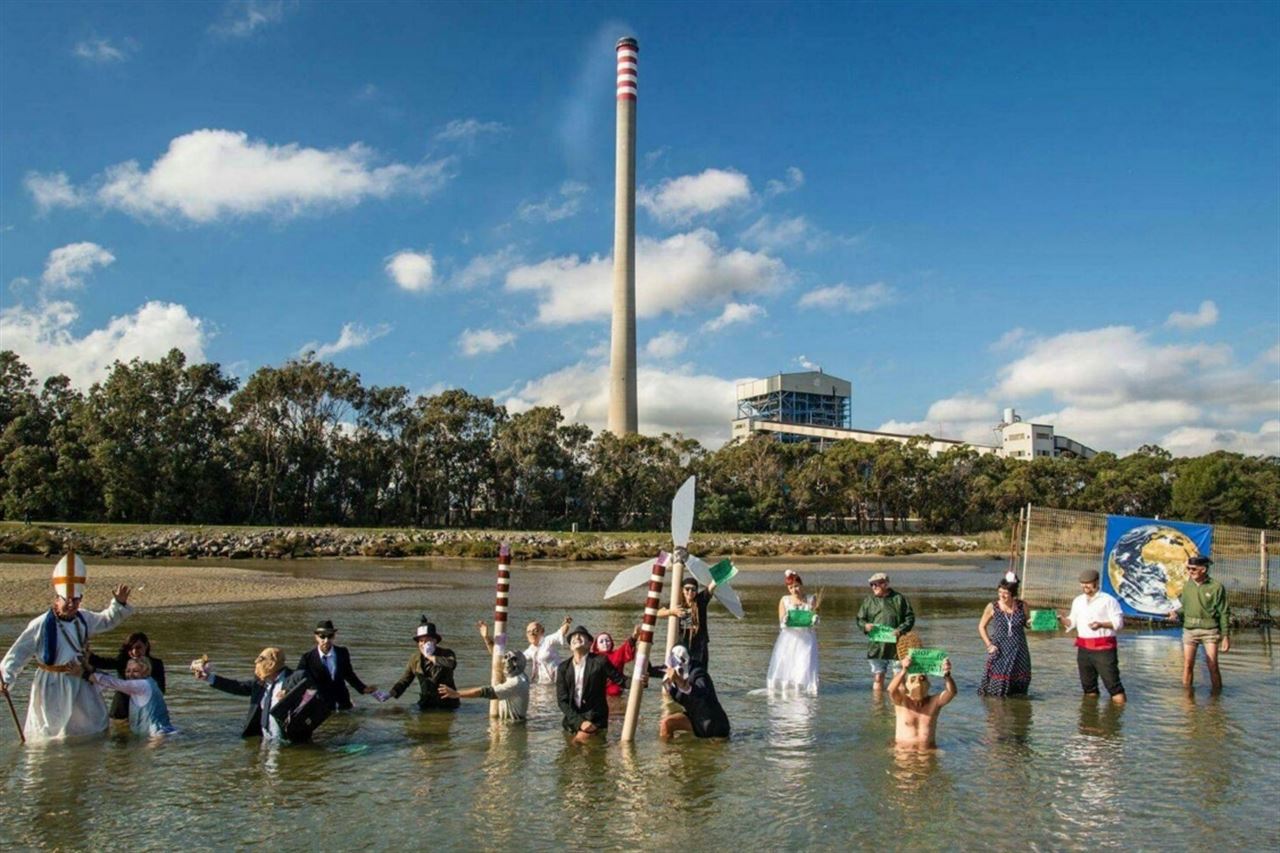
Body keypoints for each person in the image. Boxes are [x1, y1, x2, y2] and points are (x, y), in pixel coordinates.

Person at [0, 553, 133, 742]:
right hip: (51, 683)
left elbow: (106, 620)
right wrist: (6, 677)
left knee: (90, 727)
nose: (72, 605)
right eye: (67, 600)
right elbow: (19, 653)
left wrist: (118, 604)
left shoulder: (83, 618)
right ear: (57, 599)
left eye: (76, 600)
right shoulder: (40, 624)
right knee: (50, 733)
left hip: (79, 679)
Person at [194, 647, 312, 741]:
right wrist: (209, 677)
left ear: (272, 663)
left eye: (262, 661)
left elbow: (314, 695)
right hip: (266, 740)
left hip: (291, 741)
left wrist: (291, 696)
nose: (258, 665)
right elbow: (237, 687)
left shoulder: (296, 677)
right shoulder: (261, 682)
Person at [1061, 568, 1126, 704]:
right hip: (1084, 649)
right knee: (1088, 688)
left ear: (1096, 582)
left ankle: (1117, 718)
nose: (1085, 586)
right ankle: (1090, 717)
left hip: (1104, 649)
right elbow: (1072, 622)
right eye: (1083, 583)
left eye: (1088, 583)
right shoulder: (1078, 601)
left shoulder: (1108, 600)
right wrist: (1062, 619)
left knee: (1113, 686)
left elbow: (1118, 623)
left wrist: (1101, 624)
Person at [1167, 556, 1231, 691]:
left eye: (1193, 569)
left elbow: (1224, 612)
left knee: (1212, 665)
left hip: (1210, 631)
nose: (1190, 571)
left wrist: (1225, 636)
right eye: (1188, 569)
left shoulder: (1216, 587)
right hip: (1189, 630)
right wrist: (1176, 613)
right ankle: (1187, 697)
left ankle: (1217, 698)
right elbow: (1185, 607)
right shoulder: (1187, 586)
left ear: (1203, 569)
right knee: (1187, 664)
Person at [555, 625, 626, 743]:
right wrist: (580, 722)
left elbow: (621, 680)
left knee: (577, 746)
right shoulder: (563, 668)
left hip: (595, 719)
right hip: (572, 721)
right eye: (573, 636)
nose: (577, 637)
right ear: (571, 647)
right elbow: (562, 701)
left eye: (581, 635)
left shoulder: (600, 661)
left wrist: (640, 681)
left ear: (589, 644)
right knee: (572, 753)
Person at [74, 655, 175, 737]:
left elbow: (114, 683)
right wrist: (89, 669)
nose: (130, 675)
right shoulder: (148, 683)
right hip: (159, 733)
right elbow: (110, 680)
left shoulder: (142, 685)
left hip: (158, 736)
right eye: (128, 671)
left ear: (146, 672)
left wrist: (84, 674)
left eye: (135, 671)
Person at [296, 620, 378, 711]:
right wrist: (285, 691)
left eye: (329, 636)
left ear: (334, 636)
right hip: (321, 706)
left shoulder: (342, 652)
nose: (326, 640)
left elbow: (349, 674)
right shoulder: (307, 658)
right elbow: (298, 679)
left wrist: (363, 688)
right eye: (322, 636)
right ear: (316, 637)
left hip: (343, 702)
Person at [88, 632, 166, 721]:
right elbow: (103, 663)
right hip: (121, 709)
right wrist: (86, 653)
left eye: (138, 647)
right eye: (130, 648)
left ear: (146, 645)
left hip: (144, 709)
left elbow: (161, 689)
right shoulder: (122, 661)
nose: (134, 651)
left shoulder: (156, 664)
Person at [857, 572, 915, 690]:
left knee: (899, 678)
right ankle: (878, 706)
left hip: (898, 644)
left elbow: (910, 618)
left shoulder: (899, 599)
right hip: (877, 645)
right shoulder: (869, 601)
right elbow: (860, 619)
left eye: (876, 584)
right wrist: (865, 626)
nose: (873, 587)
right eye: (871, 585)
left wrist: (900, 630)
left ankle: (899, 706)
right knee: (878, 677)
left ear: (885, 584)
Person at [659, 645, 731, 740]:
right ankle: (666, 753)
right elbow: (653, 670)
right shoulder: (671, 675)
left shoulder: (698, 673)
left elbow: (701, 692)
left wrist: (681, 683)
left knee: (711, 753)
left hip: (714, 725)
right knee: (666, 723)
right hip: (695, 719)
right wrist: (644, 676)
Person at [438, 649, 530, 722]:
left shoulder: (515, 683)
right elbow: (497, 658)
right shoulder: (522, 676)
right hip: (512, 723)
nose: (503, 663)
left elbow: (485, 692)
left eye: (506, 662)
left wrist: (457, 694)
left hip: (513, 726)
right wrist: (486, 638)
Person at [888, 649, 956, 748]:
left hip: (927, 752)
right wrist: (903, 670)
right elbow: (891, 690)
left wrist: (947, 675)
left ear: (928, 684)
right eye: (913, 679)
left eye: (922, 679)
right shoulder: (902, 701)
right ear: (907, 684)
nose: (918, 683)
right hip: (903, 752)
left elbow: (951, 692)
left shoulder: (934, 702)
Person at [766, 570, 819, 694]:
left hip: (806, 639)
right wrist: (785, 620)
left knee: (804, 665)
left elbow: (815, 621)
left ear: (801, 585)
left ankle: (804, 692)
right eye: (790, 587)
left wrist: (815, 620)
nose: (794, 590)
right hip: (789, 639)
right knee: (788, 665)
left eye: (796, 586)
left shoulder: (811, 599)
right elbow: (781, 623)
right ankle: (788, 692)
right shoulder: (784, 600)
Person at [977, 576, 1032, 696]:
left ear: (1012, 593)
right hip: (999, 649)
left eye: (1005, 593)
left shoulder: (1022, 605)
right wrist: (989, 645)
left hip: (1019, 651)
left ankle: (1016, 709)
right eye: (1000, 592)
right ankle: (996, 710)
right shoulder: (993, 606)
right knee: (996, 685)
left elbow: (1028, 624)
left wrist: (1038, 621)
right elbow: (981, 627)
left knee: (1019, 688)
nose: (1002, 595)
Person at [388, 619, 459, 711]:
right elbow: (405, 680)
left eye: (427, 641)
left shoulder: (447, 653)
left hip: (448, 704)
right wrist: (391, 693)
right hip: (426, 703)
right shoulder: (415, 658)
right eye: (421, 641)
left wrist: (430, 656)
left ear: (435, 641)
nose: (423, 644)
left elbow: (451, 664)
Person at [656, 575, 718, 669]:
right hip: (683, 645)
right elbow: (658, 613)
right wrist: (672, 611)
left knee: (698, 672)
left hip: (699, 645)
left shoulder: (700, 600)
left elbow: (712, 586)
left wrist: (722, 574)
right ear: (682, 590)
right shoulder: (677, 603)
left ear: (696, 591)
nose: (690, 592)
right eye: (687, 589)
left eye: (693, 589)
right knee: (681, 672)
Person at [516, 616, 573, 685]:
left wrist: (567, 623)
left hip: (559, 681)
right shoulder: (530, 649)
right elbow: (520, 658)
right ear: (527, 635)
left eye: (535, 630)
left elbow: (561, 632)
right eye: (529, 632)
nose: (532, 633)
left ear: (542, 631)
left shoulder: (548, 640)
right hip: (543, 683)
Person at [591, 628, 638, 697]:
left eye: (607, 641)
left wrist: (634, 637)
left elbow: (626, 647)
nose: (605, 643)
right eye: (601, 641)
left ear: (611, 642)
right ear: (597, 646)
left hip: (615, 690)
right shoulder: (592, 658)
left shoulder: (617, 654)